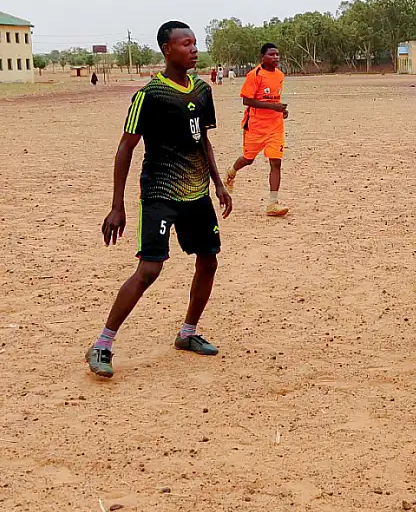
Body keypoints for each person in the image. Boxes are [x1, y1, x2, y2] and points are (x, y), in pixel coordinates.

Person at [85, 21, 233, 379]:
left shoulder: (202, 90)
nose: (194, 49)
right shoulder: (149, 95)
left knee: (208, 262)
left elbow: (203, 141)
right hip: (159, 193)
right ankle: (102, 344)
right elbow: (125, 147)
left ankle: (187, 333)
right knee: (150, 269)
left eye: (195, 42)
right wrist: (117, 205)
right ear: (167, 49)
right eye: (186, 43)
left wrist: (218, 183)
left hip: (196, 193)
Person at [225, 43, 289, 217]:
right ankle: (231, 172)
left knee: (276, 162)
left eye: (277, 54)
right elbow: (247, 101)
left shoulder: (280, 75)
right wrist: (273, 106)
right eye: (272, 54)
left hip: (275, 127)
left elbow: (275, 99)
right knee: (248, 159)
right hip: (255, 127)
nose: (276, 57)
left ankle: (272, 203)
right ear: (263, 57)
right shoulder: (254, 75)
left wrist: (281, 110)